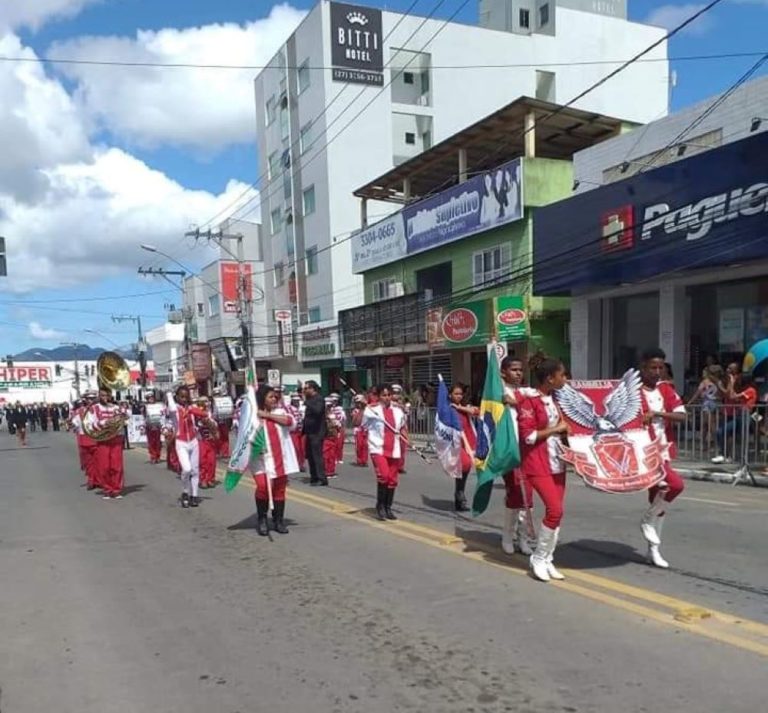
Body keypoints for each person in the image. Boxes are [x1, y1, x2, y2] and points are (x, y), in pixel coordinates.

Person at [517, 356, 569, 582]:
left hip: (557, 462)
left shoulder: (554, 399)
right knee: (555, 510)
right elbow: (527, 436)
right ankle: (538, 557)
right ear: (550, 378)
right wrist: (557, 428)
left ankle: (548, 558)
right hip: (537, 463)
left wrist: (564, 433)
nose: (565, 378)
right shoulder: (530, 401)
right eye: (562, 374)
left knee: (557, 513)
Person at [638, 348, 688, 568]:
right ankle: (648, 522)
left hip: (662, 451)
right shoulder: (632, 392)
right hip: (641, 452)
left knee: (658, 499)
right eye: (653, 367)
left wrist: (658, 413)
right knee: (673, 485)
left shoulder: (666, 390)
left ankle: (653, 549)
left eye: (661, 368)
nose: (657, 372)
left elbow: (682, 415)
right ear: (643, 367)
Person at [500, 356, 537, 555]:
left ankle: (523, 538)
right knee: (515, 493)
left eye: (520, 370)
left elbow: (540, 398)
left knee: (528, 496)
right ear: (503, 372)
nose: (518, 373)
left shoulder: (527, 392)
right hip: (509, 450)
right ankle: (507, 535)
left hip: (528, 451)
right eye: (514, 370)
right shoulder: (497, 393)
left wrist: (518, 401)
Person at [250, 384, 299, 536]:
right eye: (270, 397)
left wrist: (268, 416)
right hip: (261, 459)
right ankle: (262, 519)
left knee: (279, 490)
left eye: (275, 397)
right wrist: (257, 446)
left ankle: (278, 520)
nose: (274, 399)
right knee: (263, 487)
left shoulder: (281, 411)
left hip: (280, 459)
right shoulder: (252, 415)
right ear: (262, 398)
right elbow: (246, 436)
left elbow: (291, 422)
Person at [362, 385, 408, 521]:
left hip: (394, 449)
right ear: (379, 396)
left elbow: (403, 428)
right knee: (384, 476)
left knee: (393, 479)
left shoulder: (398, 412)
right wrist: (361, 407)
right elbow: (359, 424)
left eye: (389, 395)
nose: (387, 398)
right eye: (384, 395)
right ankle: (380, 506)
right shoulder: (372, 410)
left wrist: (407, 439)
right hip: (378, 448)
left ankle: (388, 507)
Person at [166, 386, 209, 508]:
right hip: (181, 443)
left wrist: (193, 410)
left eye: (186, 396)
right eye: (181, 396)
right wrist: (169, 396)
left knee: (195, 470)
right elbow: (172, 408)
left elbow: (204, 413)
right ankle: (185, 492)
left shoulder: (190, 408)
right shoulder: (174, 409)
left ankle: (194, 495)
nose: (184, 399)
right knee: (187, 469)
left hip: (193, 441)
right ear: (177, 397)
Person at [712, 365, 757, 464]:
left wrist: (731, 383)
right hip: (738, 415)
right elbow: (733, 396)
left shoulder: (751, 390)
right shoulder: (746, 390)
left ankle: (742, 459)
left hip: (744, 415)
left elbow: (732, 396)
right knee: (721, 432)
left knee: (741, 438)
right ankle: (724, 454)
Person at [86, 387, 126, 500]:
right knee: (104, 466)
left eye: (107, 395)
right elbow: (89, 425)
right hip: (102, 440)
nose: (105, 398)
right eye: (102, 395)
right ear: (99, 396)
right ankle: (107, 489)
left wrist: (124, 415)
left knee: (117, 466)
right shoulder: (94, 408)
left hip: (116, 439)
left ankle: (116, 489)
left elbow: (125, 418)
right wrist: (104, 423)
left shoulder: (116, 407)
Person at [448, 383, 479, 512]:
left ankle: (459, 494)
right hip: (455, 442)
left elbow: (477, 411)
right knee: (465, 464)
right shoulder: (447, 409)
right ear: (450, 395)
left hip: (468, 441)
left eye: (461, 394)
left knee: (465, 469)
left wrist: (461, 408)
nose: (459, 396)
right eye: (456, 394)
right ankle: (459, 493)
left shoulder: (464, 407)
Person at [687, 364, 724, 450]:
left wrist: (690, 402)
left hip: (711, 403)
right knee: (705, 425)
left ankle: (716, 444)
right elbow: (698, 393)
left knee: (712, 425)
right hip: (711, 403)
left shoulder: (713, 382)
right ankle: (703, 444)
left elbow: (698, 393)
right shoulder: (711, 382)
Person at [302, 380, 328, 486]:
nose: (305, 390)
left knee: (317, 455)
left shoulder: (319, 399)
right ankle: (314, 477)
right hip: (309, 432)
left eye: (307, 388)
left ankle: (322, 478)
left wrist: (306, 402)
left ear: (313, 389)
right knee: (310, 455)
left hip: (317, 432)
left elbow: (318, 411)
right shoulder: (310, 399)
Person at [197, 397, 219, 489]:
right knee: (203, 460)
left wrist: (215, 432)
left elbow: (215, 425)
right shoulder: (197, 412)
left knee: (212, 460)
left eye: (207, 401)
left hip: (211, 439)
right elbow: (200, 423)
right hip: (201, 439)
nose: (206, 403)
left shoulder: (212, 412)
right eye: (204, 401)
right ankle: (203, 479)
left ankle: (210, 479)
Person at [287, 393, 306, 472]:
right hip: (293, 432)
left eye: (298, 401)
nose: (297, 402)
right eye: (295, 401)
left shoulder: (301, 408)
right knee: (296, 449)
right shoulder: (289, 408)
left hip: (301, 431)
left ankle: (301, 464)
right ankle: (296, 464)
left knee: (302, 449)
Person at [144, 392, 164, 464]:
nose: (151, 399)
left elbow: (163, 414)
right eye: (149, 398)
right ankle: (153, 456)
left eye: (152, 397)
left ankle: (158, 456)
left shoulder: (159, 405)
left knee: (158, 442)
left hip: (158, 426)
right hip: (149, 426)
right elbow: (144, 417)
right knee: (151, 442)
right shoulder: (145, 406)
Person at [323, 397, 340, 478]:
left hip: (333, 436)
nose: (329, 407)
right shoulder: (322, 415)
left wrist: (337, 425)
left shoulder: (333, 414)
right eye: (327, 406)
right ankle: (326, 471)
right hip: (326, 437)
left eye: (330, 406)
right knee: (326, 455)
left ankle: (331, 471)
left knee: (332, 455)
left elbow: (338, 424)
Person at [351, 394, 369, 466]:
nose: (359, 404)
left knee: (365, 445)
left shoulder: (368, 409)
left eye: (360, 403)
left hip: (366, 429)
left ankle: (364, 460)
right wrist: (360, 412)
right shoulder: (355, 411)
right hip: (358, 430)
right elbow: (355, 422)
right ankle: (359, 460)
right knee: (359, 445)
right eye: (357, 403)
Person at [330, 393, 347, 466]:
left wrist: (342, 427)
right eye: (333, 401)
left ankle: (339, 458)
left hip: (339, 428)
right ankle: (333, 458)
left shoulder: (340, 409)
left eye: (335, 401)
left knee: (340, 444)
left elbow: (343, 420)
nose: (334, 402)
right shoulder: (328, 408)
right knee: (333, 444)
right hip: (331, 428)